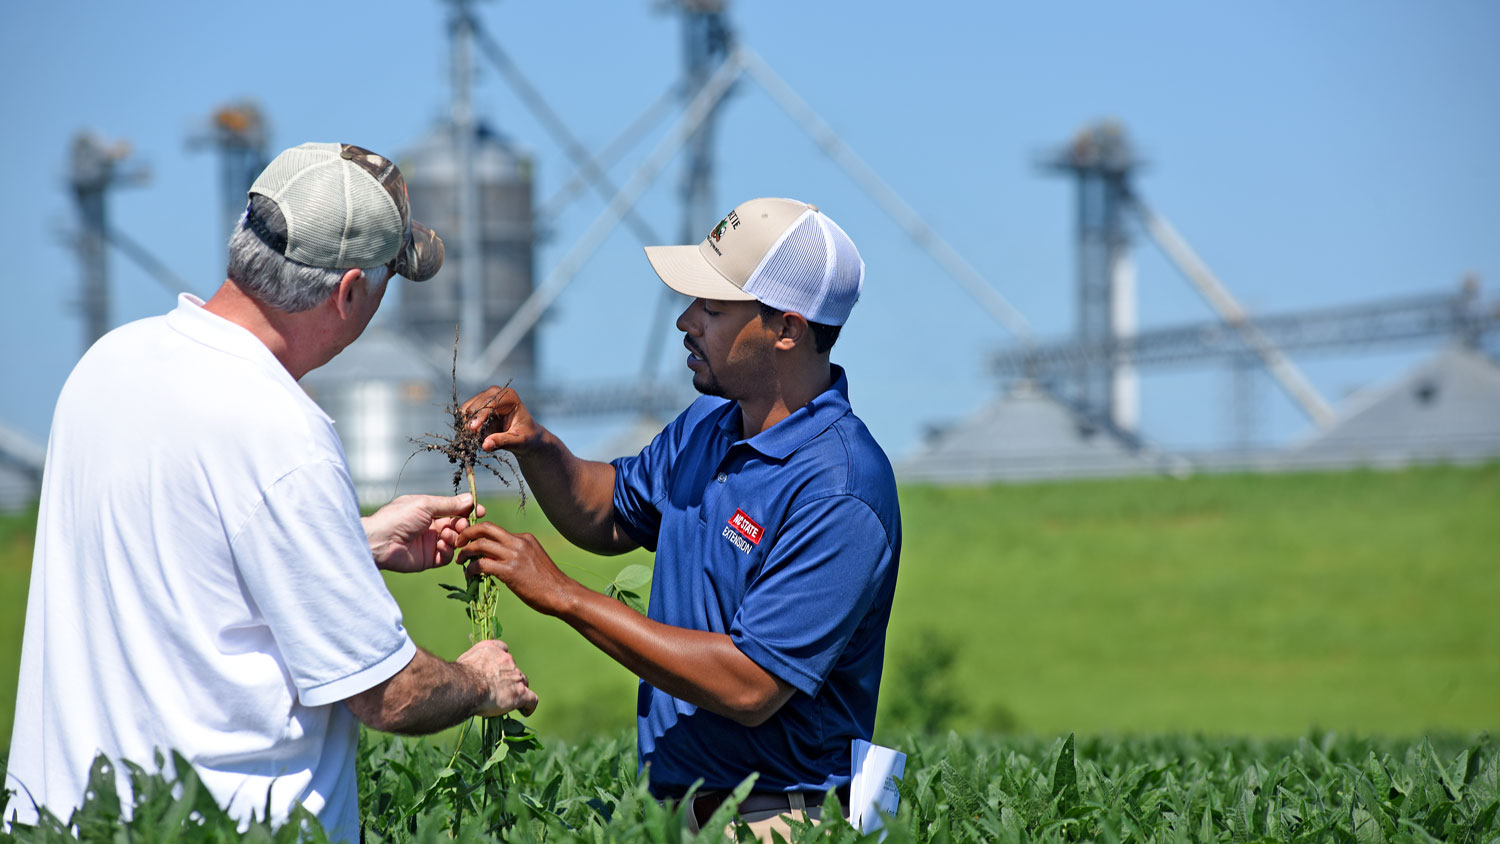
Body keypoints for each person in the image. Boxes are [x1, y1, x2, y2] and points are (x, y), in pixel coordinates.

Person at [3, 142, 537, 841]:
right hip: (213, 826)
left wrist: (354, 541)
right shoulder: (282, 431)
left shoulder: (109, 364)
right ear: (349, 292)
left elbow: (177, 560)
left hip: (66, 822)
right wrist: (479, 683)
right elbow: (386, 693)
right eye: (385, 284)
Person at [454, 197, 901, 839]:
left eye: (713, 309)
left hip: (777, 820)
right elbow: (608, 512)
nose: (685, 320)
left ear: (788, 329)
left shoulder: (839, 488)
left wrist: (563, 597)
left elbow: (751, 685)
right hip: (676, 814)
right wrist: (537, 444)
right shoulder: (709, 426)